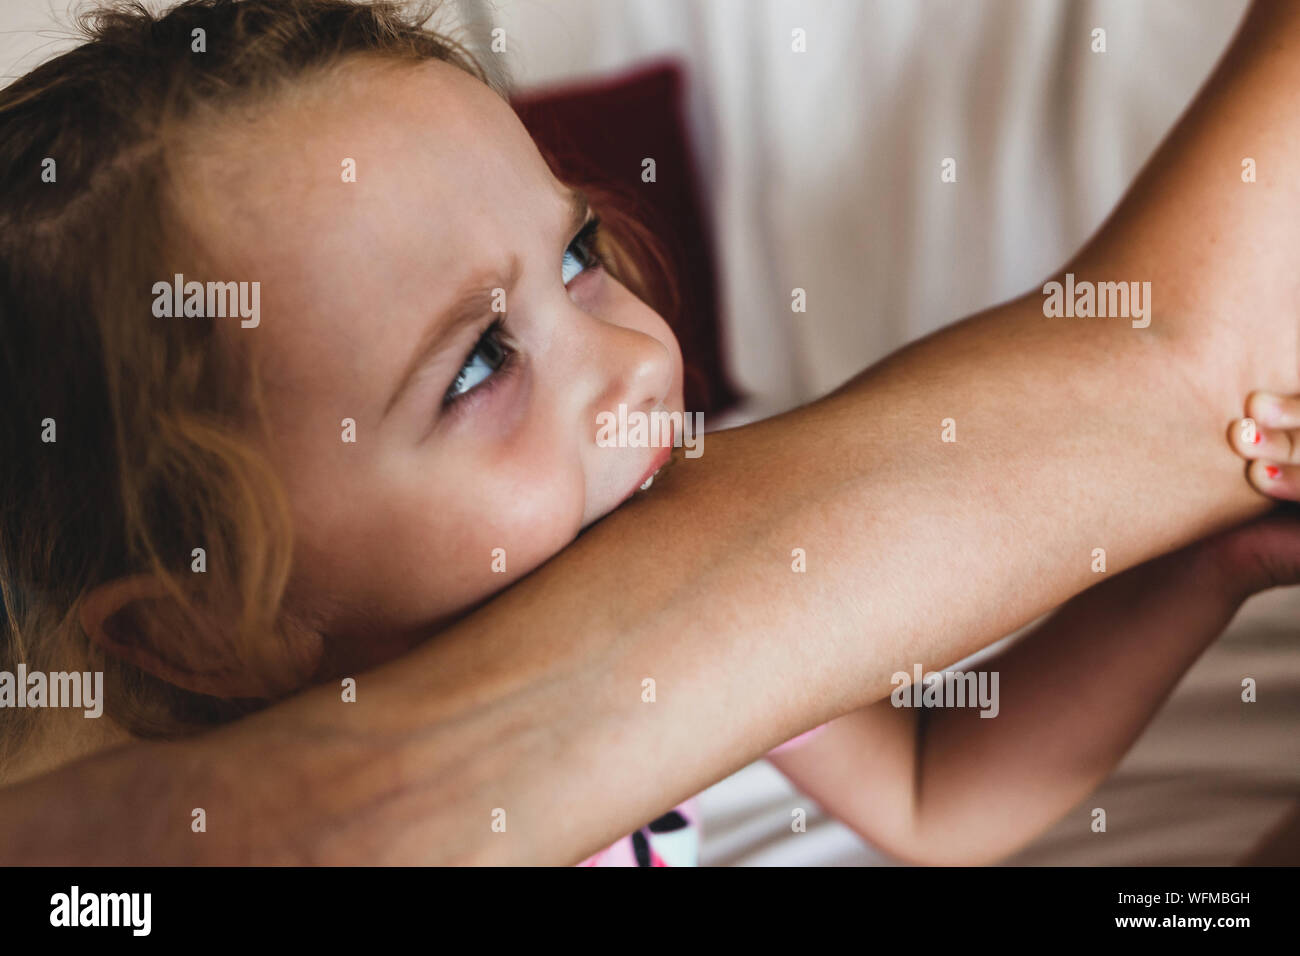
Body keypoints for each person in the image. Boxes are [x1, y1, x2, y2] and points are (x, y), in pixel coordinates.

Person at [1, 0, 1298, 865]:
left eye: (575, 257)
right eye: (477, 369)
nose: (625, 364)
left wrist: (1201, 566)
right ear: (202, 626)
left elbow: (939, 794)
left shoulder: (658, 587)